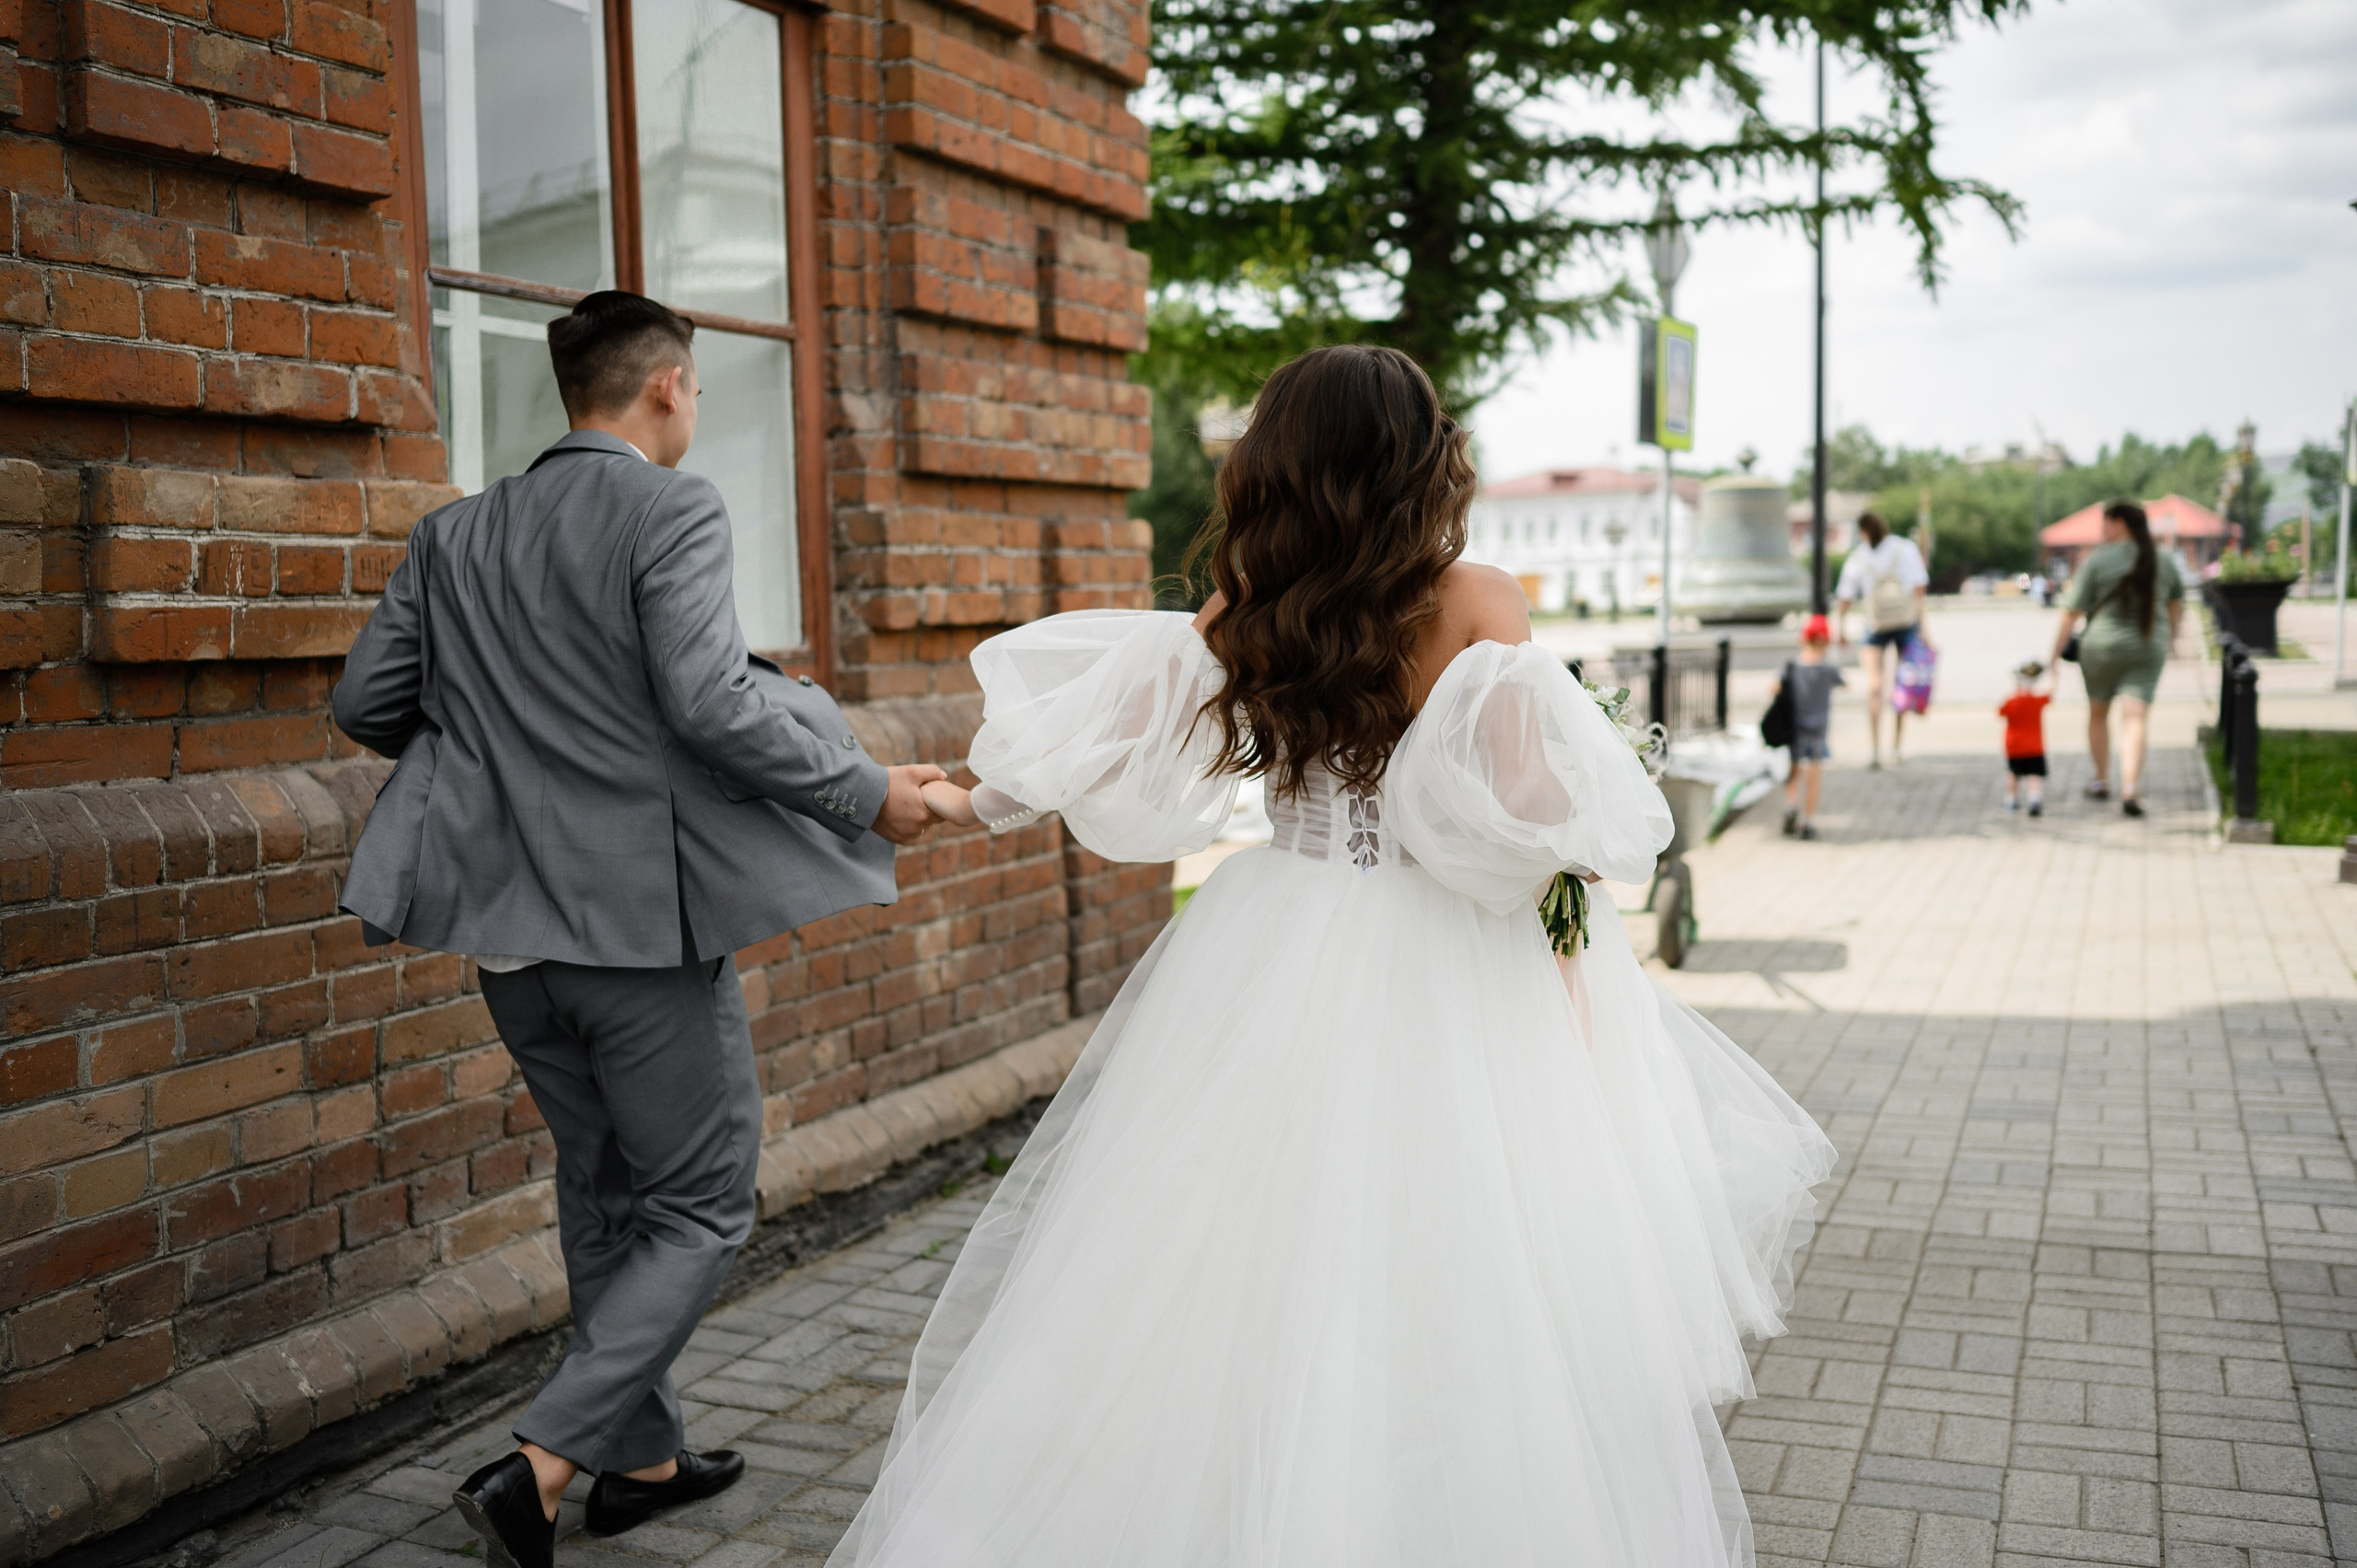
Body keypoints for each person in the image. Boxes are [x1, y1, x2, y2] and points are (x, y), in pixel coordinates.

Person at [834, 345, 1836, 1565]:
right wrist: (1572, 935)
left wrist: (955, 800)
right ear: (1423, 461)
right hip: (1448, 967)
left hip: (1276, 948)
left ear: (1280, 464)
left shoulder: (1247, 608)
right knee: (1468, 1270)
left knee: (1236, 1266)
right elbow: (1526, 823)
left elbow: (1099, 743)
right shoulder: (1476, 599)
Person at [332, 291, 949, 1568]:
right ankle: (541, 1462)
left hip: (507, 936)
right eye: (699, 389)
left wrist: (499, 755)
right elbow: (713, 704)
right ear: (666, 385)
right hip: (632, 933)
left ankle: (644, 1458)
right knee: (707, 1203)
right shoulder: (671, 506)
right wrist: (871, 789)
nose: (696, 408)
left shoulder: (455, 533)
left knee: (607, 1187)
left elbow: (367, 698)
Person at [2048, 498, 2184, 818]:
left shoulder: (2098, 560)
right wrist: (2172, 640)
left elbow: (2071, 613)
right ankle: (2130, 788)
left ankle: (2100, 780)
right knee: (2135, 717)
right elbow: (2176, 605)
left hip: (2101, 647)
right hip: (2148, 645)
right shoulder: (2163, 558)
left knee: (2098, 712)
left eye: (2105, 524)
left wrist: (2053, 657)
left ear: (2119, 523)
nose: (2102, 530)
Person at [1834, 512, 1932, 768]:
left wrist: (1841, 628)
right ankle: (1896, 747)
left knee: (1875, 686)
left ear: (1863, 531)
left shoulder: (1859, 557)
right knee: (1902, 685)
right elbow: (1918, 591)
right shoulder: (1905, 549)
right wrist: (1925, 631)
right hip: (1906, 622)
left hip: (1875, 623)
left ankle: (1876, 750)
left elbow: (1845, 596)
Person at [1776, 613, 1843, 841]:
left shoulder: (1792, 667)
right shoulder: (1828, 669)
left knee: (1793, 771)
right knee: (1814, 775)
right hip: (1818, 730)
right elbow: (1845, 683)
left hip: (1794, 728)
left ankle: (1791, 805)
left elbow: (1773, 689)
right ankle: (1807, 820)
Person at [1999, 661, 2051, 817]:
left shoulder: (2011, 701)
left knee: (2014, 774)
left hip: (2015, 746)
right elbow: (2049, 696)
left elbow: (2000, 712)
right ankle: (2034, 799)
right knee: (2034, 775)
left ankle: (2010, 800)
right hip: (2035, 746)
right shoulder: (2037, 701)